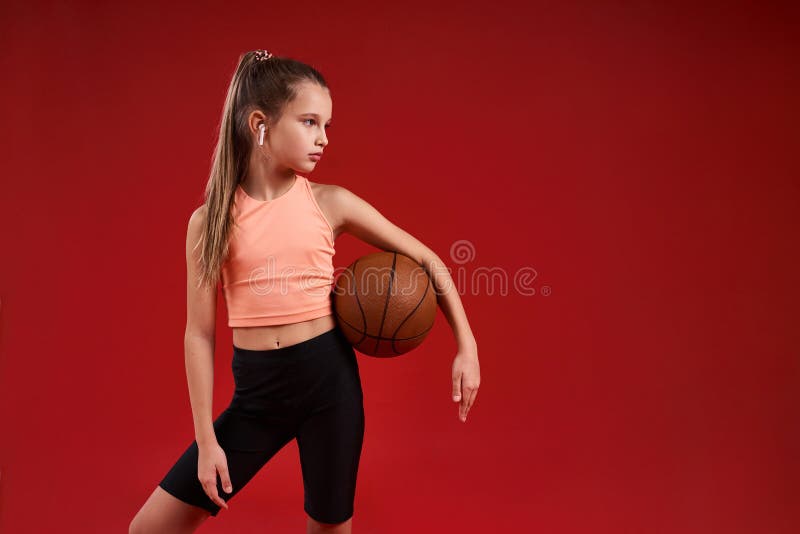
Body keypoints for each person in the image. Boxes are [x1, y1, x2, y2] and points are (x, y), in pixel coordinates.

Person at [129, 49, 480, 534]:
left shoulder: (330, 203)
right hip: (257, 393)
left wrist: (467, 344)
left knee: (329, 530)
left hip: (328, 385)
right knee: (150, 529)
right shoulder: (208, 223)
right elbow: (199, 335)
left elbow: (429, 260)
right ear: (260, 125)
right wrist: (206, 440)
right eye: (310, 122)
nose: (322, 139)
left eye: (327, 126)